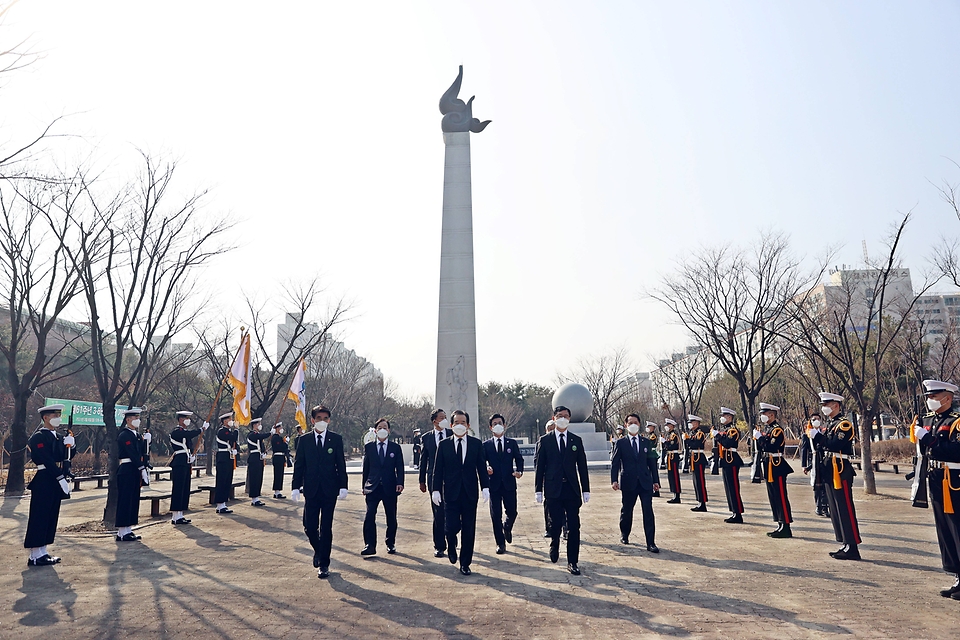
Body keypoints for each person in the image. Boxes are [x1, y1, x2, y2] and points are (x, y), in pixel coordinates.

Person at [292, 405, 348, 579]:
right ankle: (319, 550)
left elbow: (340, 464)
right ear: (312, 420)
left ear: (329, 420)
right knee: (309, 527)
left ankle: (324, 564)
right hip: (311, 489)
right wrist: (295, 486)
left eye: (325, 419)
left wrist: (343, 485)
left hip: (330, 489)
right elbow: (299, 465)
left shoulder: (335, 439)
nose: (322, 422)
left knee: (326, 527)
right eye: (318, 418)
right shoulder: (305, 440)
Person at [915, 379, 960, 599]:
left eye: (934, 397)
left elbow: (956, 451)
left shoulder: (956, 422)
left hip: (953, 479)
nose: (931, 401)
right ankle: (957, 575)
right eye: (929, 398)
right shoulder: (929, 420)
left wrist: (930, 440)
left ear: (948, 398)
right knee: (944, 529)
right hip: (935, 478)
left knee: (957, 528)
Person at [535, 406, 590, 576]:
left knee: (574, 526)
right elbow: (540, 467)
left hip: (571, 489)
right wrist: (538, 489)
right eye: (559, 416)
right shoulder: (545, 440)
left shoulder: (576, 440)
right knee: (556, 523)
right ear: (554, 417)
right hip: (553, 490)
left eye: (566, 416)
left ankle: (572, 561)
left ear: (570, 419)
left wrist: (586, 489)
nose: (563, 419)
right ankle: (554, 543)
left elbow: (582, 466)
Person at [432, 410, 488, 575]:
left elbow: (481, 468)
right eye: (456, 422)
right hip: (450, 492)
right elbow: (438, 470)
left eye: (463, 422)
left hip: (470, 493)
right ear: (451, 425)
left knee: (469, 529)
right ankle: (450, 544)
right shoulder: (444, 445)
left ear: (468, 426)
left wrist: (485, 487)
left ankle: (465, 563)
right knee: (451, 527)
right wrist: (436, 490)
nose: (460, 425)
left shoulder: (476, 444)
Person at [24, 403, 71, 566]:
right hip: (44, 478)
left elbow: (63, 457)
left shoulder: (58, 437)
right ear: (45, 418)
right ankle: (35, 555)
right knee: (40, 516)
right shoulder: (38, 437)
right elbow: (46, 459)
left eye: (59, 415)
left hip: (54, 479)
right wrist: (59, 477)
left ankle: (43, 551)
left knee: (51, 515)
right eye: (54, 416)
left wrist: (71, 445)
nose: (58, 418)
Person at [818, 392, 862, 561]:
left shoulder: (844, 425)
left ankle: (852, 545)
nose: (824, 408)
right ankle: (845, 542)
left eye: (826, 404)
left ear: (836, 405)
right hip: (830, 468)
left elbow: (835, 444)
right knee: (835, 509)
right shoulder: (831, 424)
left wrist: (820, 438)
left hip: (840, 469)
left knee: (845, 507)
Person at [611, 414, 660, 552]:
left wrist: (656, 481)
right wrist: (614, 480)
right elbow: (615, 463)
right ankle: (625, 534)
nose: (633, 424)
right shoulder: (620, 443)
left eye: (636, 422)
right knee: (627, 510)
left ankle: (651, 542)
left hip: (645, 482)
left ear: (639, 424)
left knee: (648, 511)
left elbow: (652, 463)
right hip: (628, 482)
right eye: (630, 422)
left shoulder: (646, 442)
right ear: (626, 425)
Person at [361, 418, 404, 556]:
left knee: (391, 517)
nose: (382, 429)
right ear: (375, 430)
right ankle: (370, 544)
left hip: (389, 487)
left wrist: (400, 483)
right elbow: (366, 468)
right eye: (380, 427)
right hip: (372, 487)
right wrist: (364, 485)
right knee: (369, 516)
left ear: (389, 430)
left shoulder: (395, 448)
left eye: (385, 427)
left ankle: (390, 543)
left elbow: (400, 468)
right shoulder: (369, 447)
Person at [483, 413, 524, 554]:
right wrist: (486, 468)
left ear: (504, 425)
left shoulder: (511, 443)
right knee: (495, 516)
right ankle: (500, 544)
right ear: (490, 427)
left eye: (500, 422)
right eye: (494, 423)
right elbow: (481, 462)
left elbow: (519, 459)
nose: (497, 425)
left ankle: (507, 528)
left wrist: (519, 471)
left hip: (509, 483)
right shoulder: (486, 445)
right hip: (493, 484)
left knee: (512, 512)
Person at [755, 402, 793, 538]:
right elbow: (762, 447)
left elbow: (770, 446)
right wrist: (760, 439)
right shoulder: (769, 430)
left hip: (776, 464)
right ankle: (779, 523)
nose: (762, 416)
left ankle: (786, 525)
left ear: (771, 415)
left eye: (764, 414)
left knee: (780, 495)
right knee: (773, 496)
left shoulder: (777, 430)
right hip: (768, 464)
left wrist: (760, 438)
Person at [419, 408, 453, 558]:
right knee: (438, 513)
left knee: (451, 511)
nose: (444, 420)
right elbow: (423, 460)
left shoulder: (452, 434)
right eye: (441, 417)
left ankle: (452, 539)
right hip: (433, 479)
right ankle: (439, 545)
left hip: (451, 479)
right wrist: (421, 480)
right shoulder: (426, 438)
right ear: (434, 421)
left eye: (445, 417)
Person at [116, 408, 149, 542]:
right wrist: (142, 468)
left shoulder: (137, 435)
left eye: (138, 418)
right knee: (125, 500)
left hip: (135, 469)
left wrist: (147, 441)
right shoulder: (124, 435)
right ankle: (122, 531)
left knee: (133, 500)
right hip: (127, 469)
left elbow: (141, 452)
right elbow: (132, 453)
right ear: (128, 420)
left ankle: (128, 530)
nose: (137, 420)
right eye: (134, 418)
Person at [169, 410, 207, 525]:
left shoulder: (183, 432)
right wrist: (201, 429)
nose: (188, 420)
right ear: (180, 420)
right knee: (178, 489)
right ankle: (175, 515)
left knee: (185, 489)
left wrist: (191, 455)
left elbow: (189, 443)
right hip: (179, 462)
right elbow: (188, 434)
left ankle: (180, 514)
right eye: (186, 418)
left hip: (186, 461)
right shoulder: (176, 432)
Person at [713, 407, 745, 524]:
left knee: (733, 487)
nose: (722, 418)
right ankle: (734, 512)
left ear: (730, 417)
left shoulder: (733, 430)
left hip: (732, 459)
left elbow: (727, 443)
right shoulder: (725, 429)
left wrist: (718, 436)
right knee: (728, 487)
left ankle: (738, 513)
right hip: (725, 460)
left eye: (724, 416)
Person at [799, 412, 830, 518]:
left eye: (818, 419)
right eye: (813, 419)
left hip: (824, 461)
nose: (816, 420)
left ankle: (826, 507)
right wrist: (804, 465)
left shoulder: (824, 432)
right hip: (814, 461)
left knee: (825, 485)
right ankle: (818, 506)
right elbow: (804, 450)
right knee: (817, 485)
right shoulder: (807, 434)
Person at [537, 419, 562, 538]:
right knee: (549, 506)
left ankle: (565, 528)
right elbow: (537, 463)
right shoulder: (542, 442)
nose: (551, 431)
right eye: (549, 429)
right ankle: (548, 527)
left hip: (562, 479)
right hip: (549, 480)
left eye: (553, 428)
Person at [214, 412, 239, 514]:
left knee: (227, 481)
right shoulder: (222, 431)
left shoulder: (228, 431)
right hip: (223, 457)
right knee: (222, 481)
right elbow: (233, 437)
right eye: (229, 419)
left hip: (229, 457)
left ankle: (223, 503)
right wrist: (236, 429)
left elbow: (234, 442)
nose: (231, 421)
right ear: (224, 421)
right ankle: (219, 504)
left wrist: (236, 449)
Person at [245, 418, 271, 507]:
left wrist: (264, 452)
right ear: (254, 425)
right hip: (254, 458)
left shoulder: (258, 435)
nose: (260, 425)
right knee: (254, 478)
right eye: (259, 423)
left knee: (259, 478)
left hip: (259, 458)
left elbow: (261, 446)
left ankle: (256, 497)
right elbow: (260, 437)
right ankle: (254, 498)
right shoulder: (252, 434)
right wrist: (271, 433)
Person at [686, 415, 708, 512]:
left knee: (700, 481)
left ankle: (702, 503)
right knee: (696, 481)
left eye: (692, 422)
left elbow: (696, 444)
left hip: (699, 458)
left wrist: (687, 440)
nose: (690, 424)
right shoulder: (693, 433)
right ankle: (699, 501)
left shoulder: (700, 433)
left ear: (697, 423)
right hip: (694, 458)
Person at [662, 419, 682, 503]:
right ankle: (674, 494)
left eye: (668, 425)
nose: (666, 426)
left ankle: (677, 495)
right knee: (671, 476)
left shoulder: (674, 435)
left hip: (674, 456)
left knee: (674, 476)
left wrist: (665, 443)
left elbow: (671, 446)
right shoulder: (669, 435)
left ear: (672, 426)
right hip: (670, 456)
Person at [270, 422, 290, 499]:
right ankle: (276, 491)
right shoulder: (275, 437)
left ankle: (278, 491)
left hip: (281, 457)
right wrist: (286, 442)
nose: (282, 429)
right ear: (277, 429)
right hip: (277, 457)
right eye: (280, 427)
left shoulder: (279, 437)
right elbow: (280, 447)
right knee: (277, 474)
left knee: (280, 474)